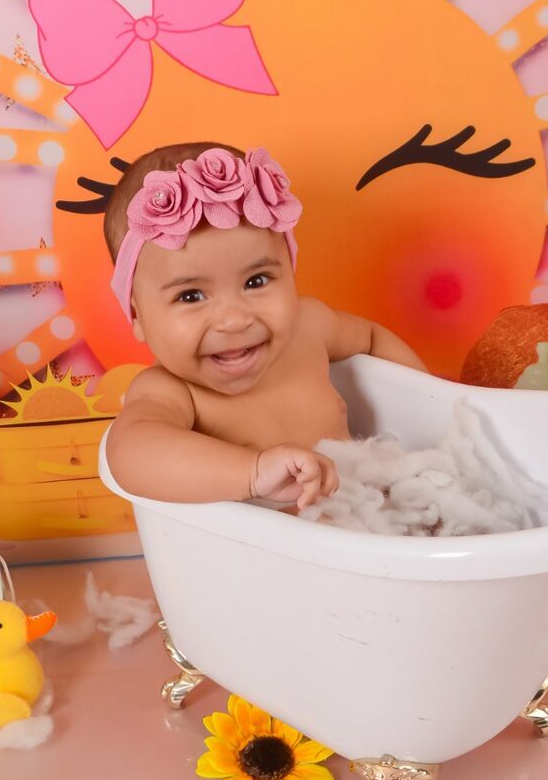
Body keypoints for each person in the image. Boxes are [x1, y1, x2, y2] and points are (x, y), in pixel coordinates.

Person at [104, 141, 427, 509]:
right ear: (137, 317)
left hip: (367, 516)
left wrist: (433, 401)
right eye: (191, 296)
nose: (234, 320)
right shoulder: (170, 392)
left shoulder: (310, 327)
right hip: (266, 544)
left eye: (255, 281)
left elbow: (371, 338)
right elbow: (130, 453)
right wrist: (253, 473)